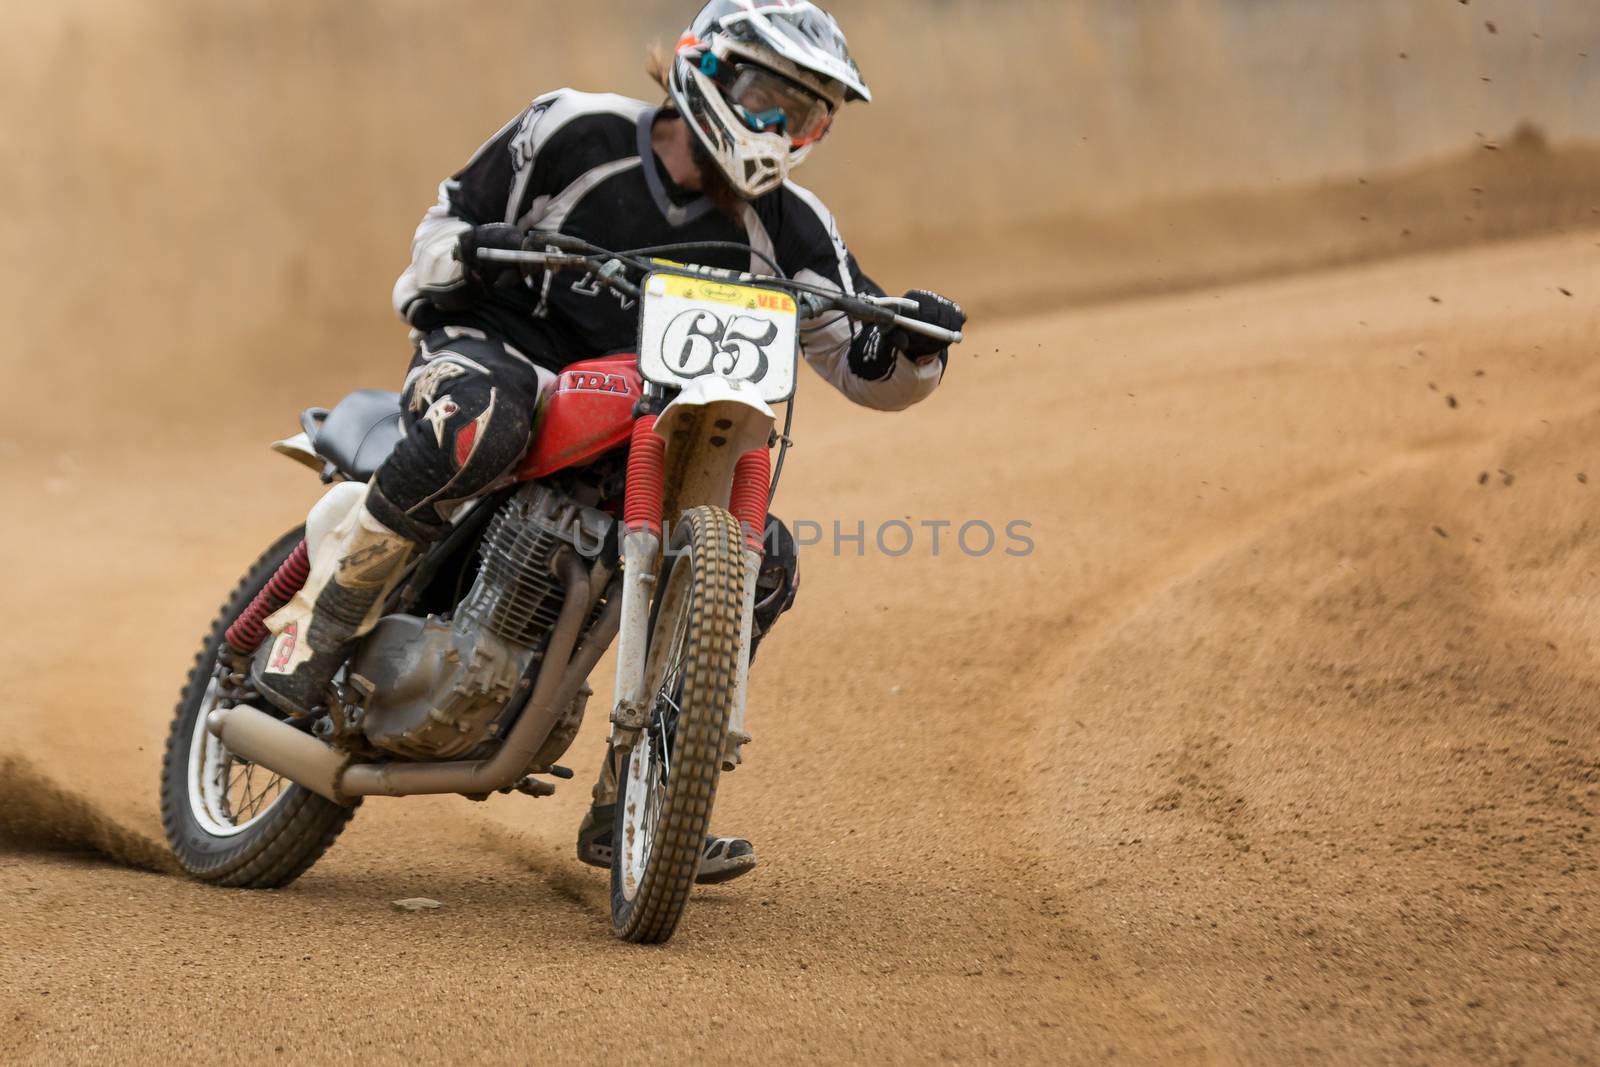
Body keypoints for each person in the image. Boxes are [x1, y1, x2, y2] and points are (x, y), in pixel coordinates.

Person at [250, 0, 967, 883]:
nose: (779, 127)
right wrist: (473, 252)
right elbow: (442, 225)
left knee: (765, 560)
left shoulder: (793, 226)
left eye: (807, 113)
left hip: (645, 426)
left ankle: (646, 794)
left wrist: (917, 343)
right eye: (765, 94)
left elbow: (863, 359)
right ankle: (311, 638)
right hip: (501, 356)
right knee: (485, 420)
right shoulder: (572, 130)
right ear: (703, 66)